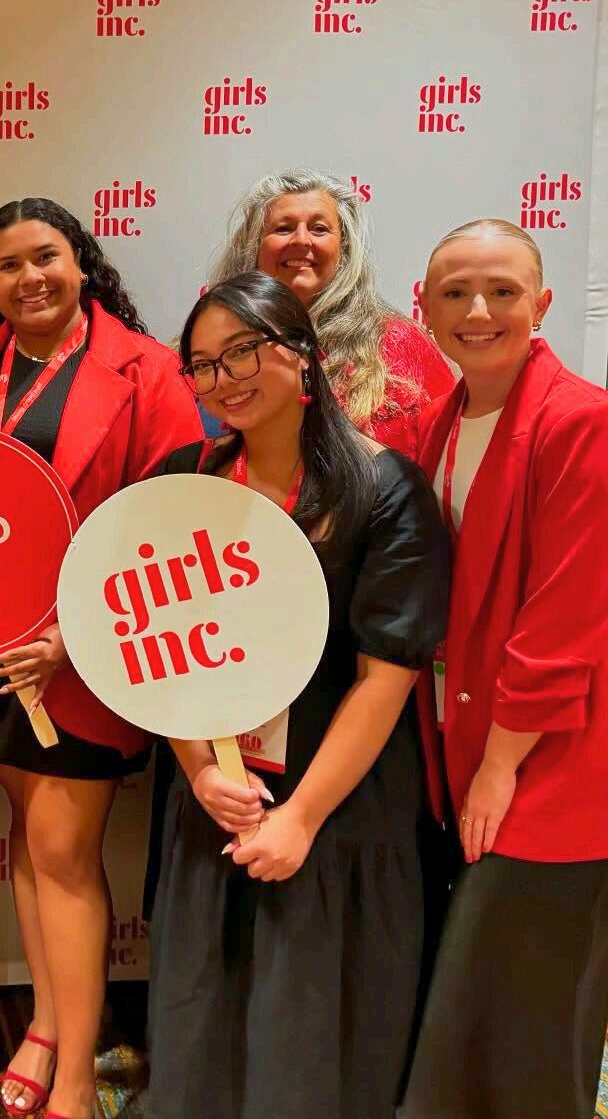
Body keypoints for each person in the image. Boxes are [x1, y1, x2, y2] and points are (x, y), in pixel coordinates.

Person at [146, 271, 451, 1119]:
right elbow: (158, 657)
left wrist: (303, 818)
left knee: (312, 1031)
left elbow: (385, 678)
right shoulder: (183, 480)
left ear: (304, 355)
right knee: (203, 1017)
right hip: (220, 792)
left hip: (337, 801)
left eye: (244, 350)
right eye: (203, 364)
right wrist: (201, 771)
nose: (224, 378)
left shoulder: (387, 492)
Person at [0, 198, 200, 1119]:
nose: (30, 278)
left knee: (64, 853)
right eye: (7, 265)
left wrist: (74, 638)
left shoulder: (149, 368)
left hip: (83, 655)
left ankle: (78, 1079)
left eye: (45, 257)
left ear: (82, 263)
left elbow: (165, 524)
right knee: (30, 839)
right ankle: (48, 1025)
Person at [400, 219, 608, 1119]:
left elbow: (566, 615)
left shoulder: (582, 420)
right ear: (425, 307)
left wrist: (499, 762)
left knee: (535, 998)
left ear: (542, 303)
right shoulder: (440, 421)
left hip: (549, 754)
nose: (478, 310)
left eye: (502, 291)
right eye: (456, 292)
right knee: (484, 991)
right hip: (468, 737)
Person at [208, 168, 453, 452]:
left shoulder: (401, 344)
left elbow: (446, 452)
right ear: (254, 246)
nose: (301, 240)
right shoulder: (210, 346)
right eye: (283, 228)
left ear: (344, 247)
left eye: (319, 229)